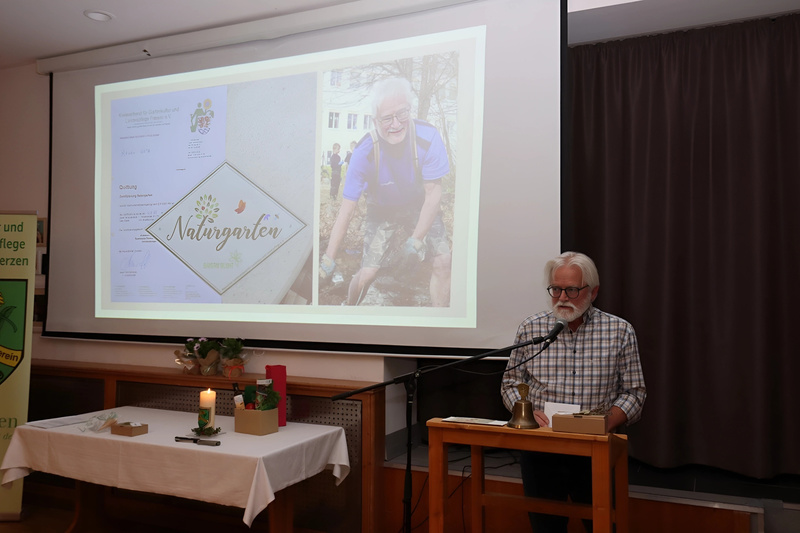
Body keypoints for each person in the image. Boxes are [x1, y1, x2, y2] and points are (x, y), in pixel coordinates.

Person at [500, 251, 646, 533]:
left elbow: (634, 393)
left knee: (602, 526)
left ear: (593, 292)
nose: (562, 298)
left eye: (571, 290)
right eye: (555, 289)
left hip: (595, 449)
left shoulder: (619, 331)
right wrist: (526, 412)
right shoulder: (532, 328)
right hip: (541, 449)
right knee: (546, 527)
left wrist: (605, 422)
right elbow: (510, 383)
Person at [320, 77, 452, 306]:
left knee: (443, 261)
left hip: (418, 204)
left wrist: (415, 241)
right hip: (382, 210)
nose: (396, 124)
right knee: (368, 273)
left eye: (402, 113)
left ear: (409, 110)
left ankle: (438, 319)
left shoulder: (427, 137)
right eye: (387, 118)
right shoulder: (364, 152)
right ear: (375, 120)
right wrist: (328, 259)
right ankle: (348, 308)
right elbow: (346, 211)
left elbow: (433, 195)